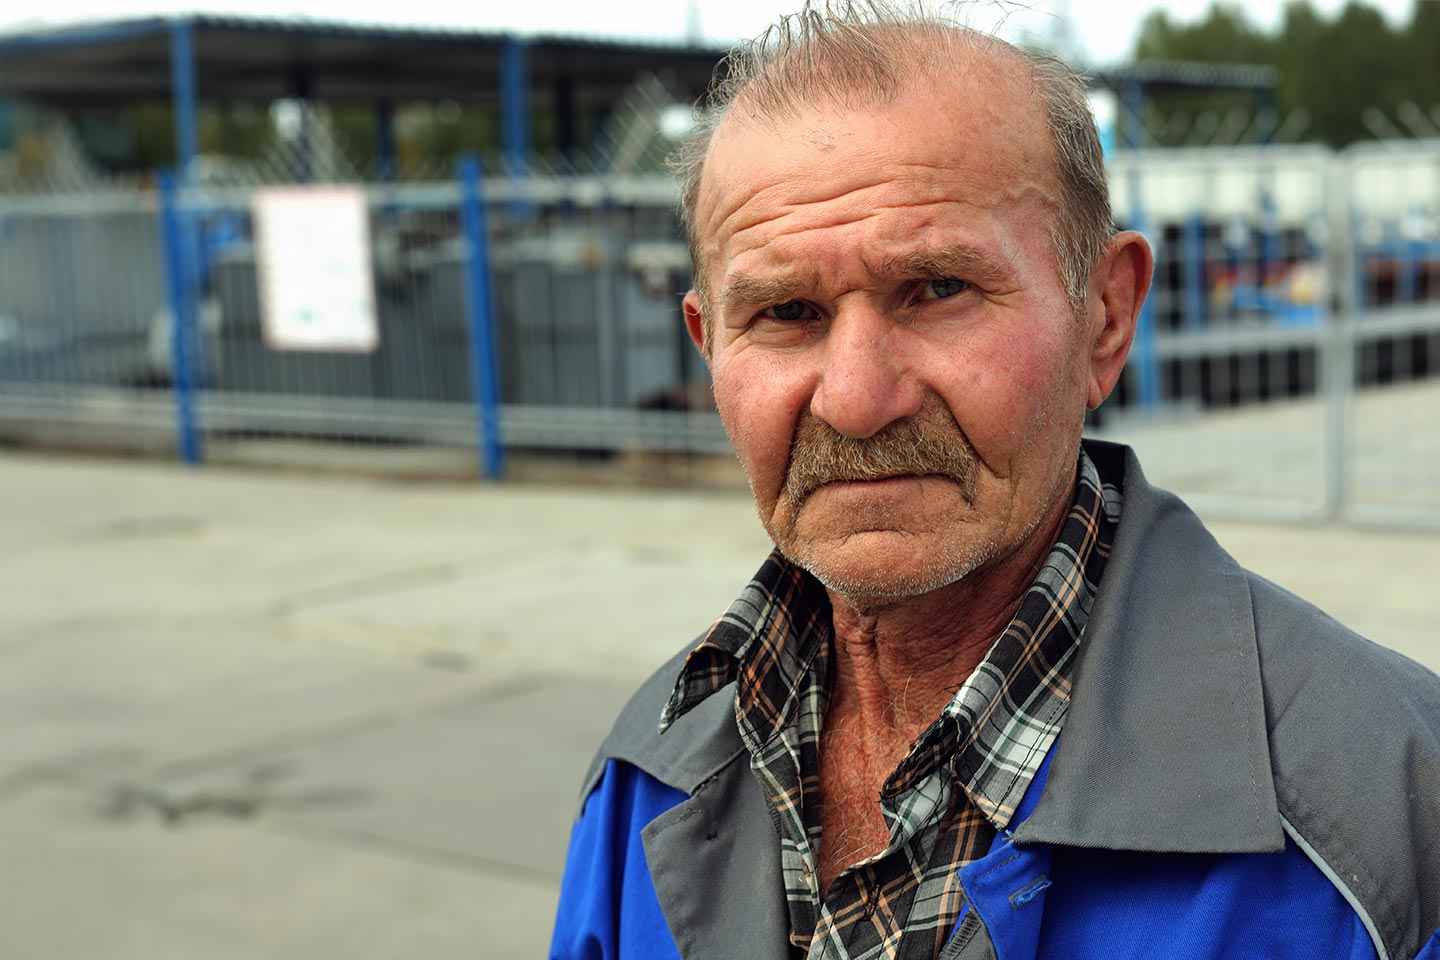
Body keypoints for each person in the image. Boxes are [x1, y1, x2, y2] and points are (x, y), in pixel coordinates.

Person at [549, 4, 1440, 959]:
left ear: (1105, 318)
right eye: (786, 310)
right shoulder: (652, 768)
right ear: (709, 346)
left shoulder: (1386, 811)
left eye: (938, 289)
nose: (855, 400)